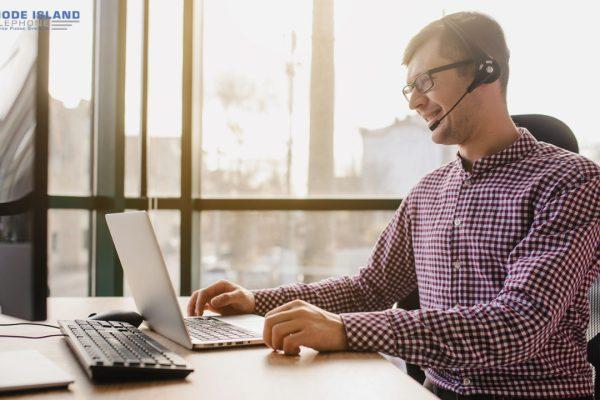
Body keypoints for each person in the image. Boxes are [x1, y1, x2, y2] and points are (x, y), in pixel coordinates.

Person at [188, 11, 599, 400]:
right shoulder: (429, 191)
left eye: (425, 81)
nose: (413, 103)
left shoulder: (571, 182)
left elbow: (518, 325)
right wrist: (257, 301)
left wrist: (344, 330)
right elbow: (371, 287)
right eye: (410, 88)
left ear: (482, 70)